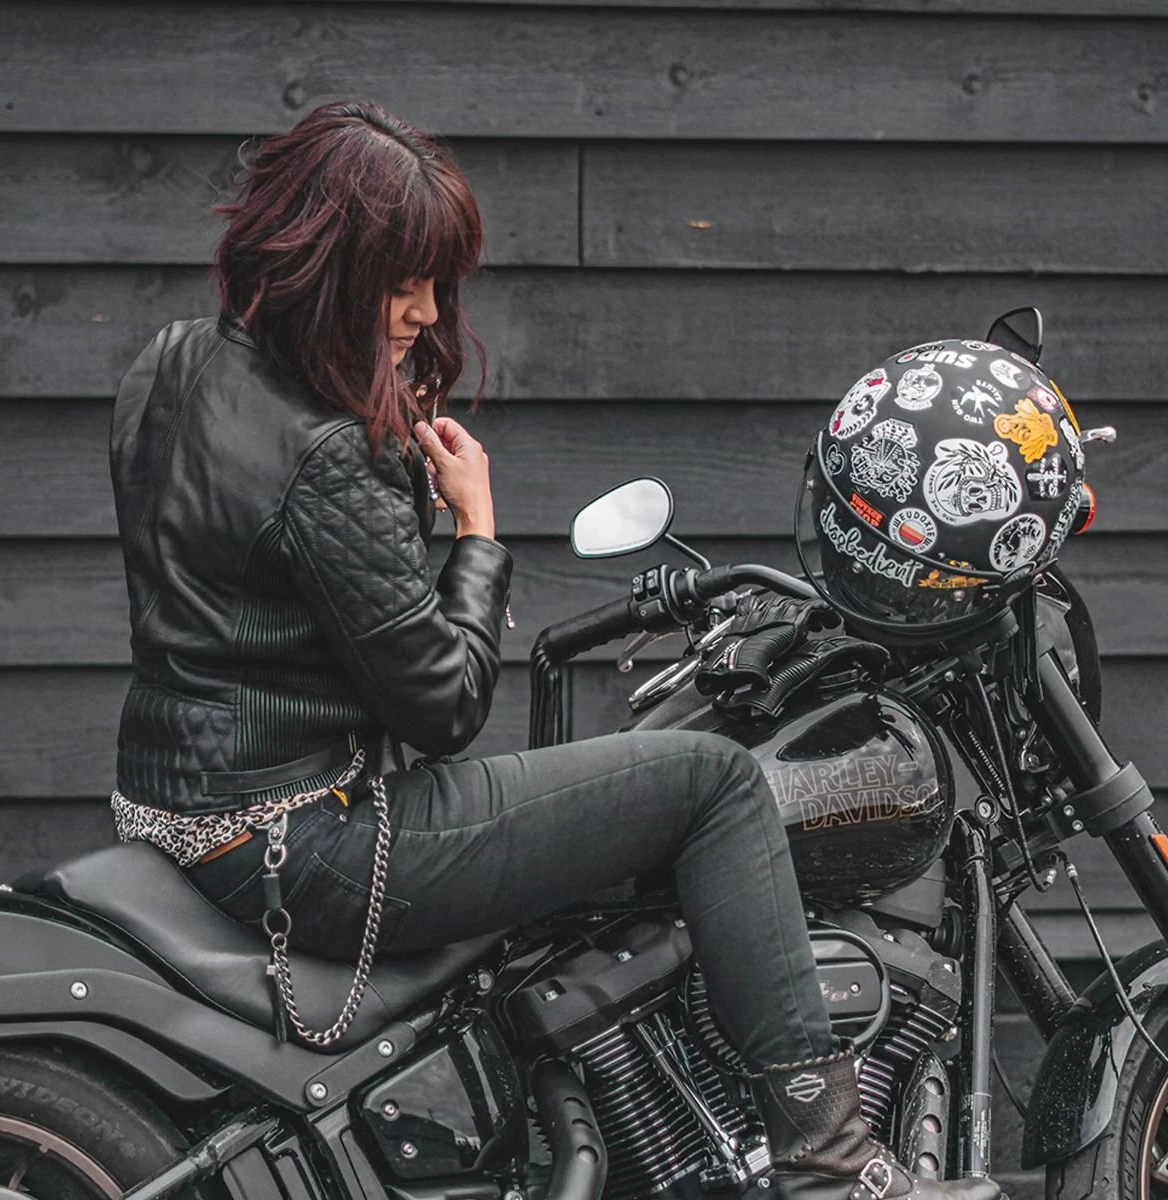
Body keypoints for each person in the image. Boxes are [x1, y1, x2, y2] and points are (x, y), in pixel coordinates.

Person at [107, 100, 996, 1200]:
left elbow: (246, 603)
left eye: (435, 284)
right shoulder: (328, 452)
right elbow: (442, 706)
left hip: (178, 806)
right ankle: (829, 1163)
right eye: (401, 285)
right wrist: (475, 526)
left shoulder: (171, 362)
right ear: (328, 272)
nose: (426, 312)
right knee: (714, 781)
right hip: (310, 841)